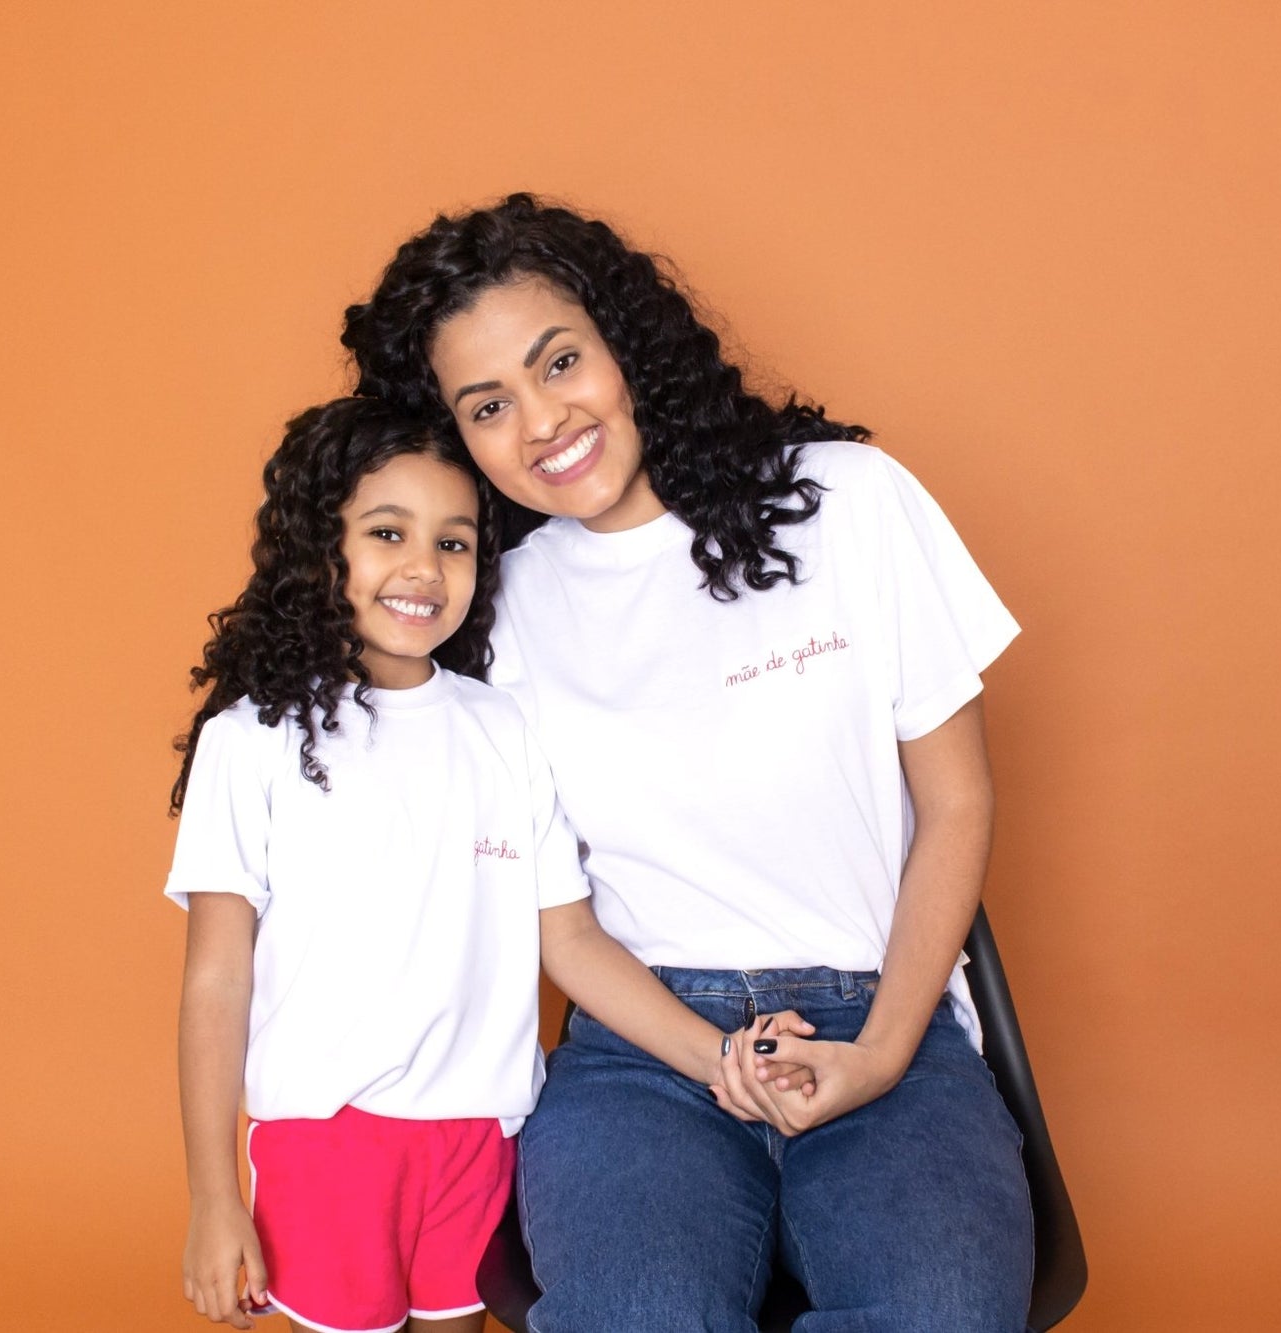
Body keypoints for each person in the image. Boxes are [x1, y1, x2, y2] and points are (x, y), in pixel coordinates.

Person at [342, 195, 1035, 1332]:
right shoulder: (493, 611)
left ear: (625, 343)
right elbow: (556, 921)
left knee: (943, 1314)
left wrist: (878, 1053)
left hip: (884, 1020)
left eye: (560, 361)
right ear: (456, 439)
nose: (542, 421)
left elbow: (955, 800)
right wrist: (715, 1052)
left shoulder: (850, 502)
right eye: (488, 406)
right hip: (644, 1053)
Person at [166, 397, 806, 1333]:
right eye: (388, 533)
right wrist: (214, 1196)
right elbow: (217, 978)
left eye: (455, 542)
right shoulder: (253, 738)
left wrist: (724, 1059)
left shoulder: (502, 725)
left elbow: (572, 939)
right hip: (329, 1142)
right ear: (319, 545)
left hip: (482, 1137)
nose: (424, 568)